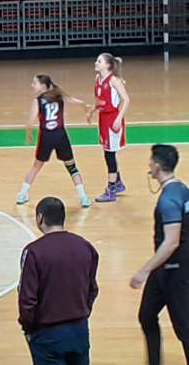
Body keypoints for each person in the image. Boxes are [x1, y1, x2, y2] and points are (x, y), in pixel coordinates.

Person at [18, 196, 99, 365]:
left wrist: (27, 328)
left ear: (40, 218)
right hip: (79, 330)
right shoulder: (85, 247)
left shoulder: (33, 252)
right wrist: (82, 314)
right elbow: (92, 289)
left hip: (47, 334)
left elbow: (27, 298)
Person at [131, 144, 189, 365]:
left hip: (175, 269)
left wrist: (143, 271)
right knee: (147, 315)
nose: (148, 164)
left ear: (156, 166)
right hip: (164, 268)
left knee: (184, 326)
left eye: (150, 161)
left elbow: (172, 241)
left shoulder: (168, 200)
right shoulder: (182, 189)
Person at [17, 74, 92, 208]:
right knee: (72, 167)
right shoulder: (59, 96)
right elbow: (75, 101)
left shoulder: (38, 101)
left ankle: (22, 194)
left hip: (46, 137)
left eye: (35, 83)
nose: (32, 85)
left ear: (43, 86)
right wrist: (85, 106)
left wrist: (28, 135)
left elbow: (30, 122)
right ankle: (83, 197)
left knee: (36, 166)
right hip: (60, 135)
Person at [88, 53, 131, 203]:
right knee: (108, 152)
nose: (96, 63)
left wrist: (119, 118)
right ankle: (118, 183)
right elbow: (100, 101)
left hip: (113, 119)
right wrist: (92, 110)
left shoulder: (114, 80)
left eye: (99, 61)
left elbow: (126, 100)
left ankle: (111, 189)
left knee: (109, 154)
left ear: (107, 65)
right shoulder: (97, 79)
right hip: (103, 119)